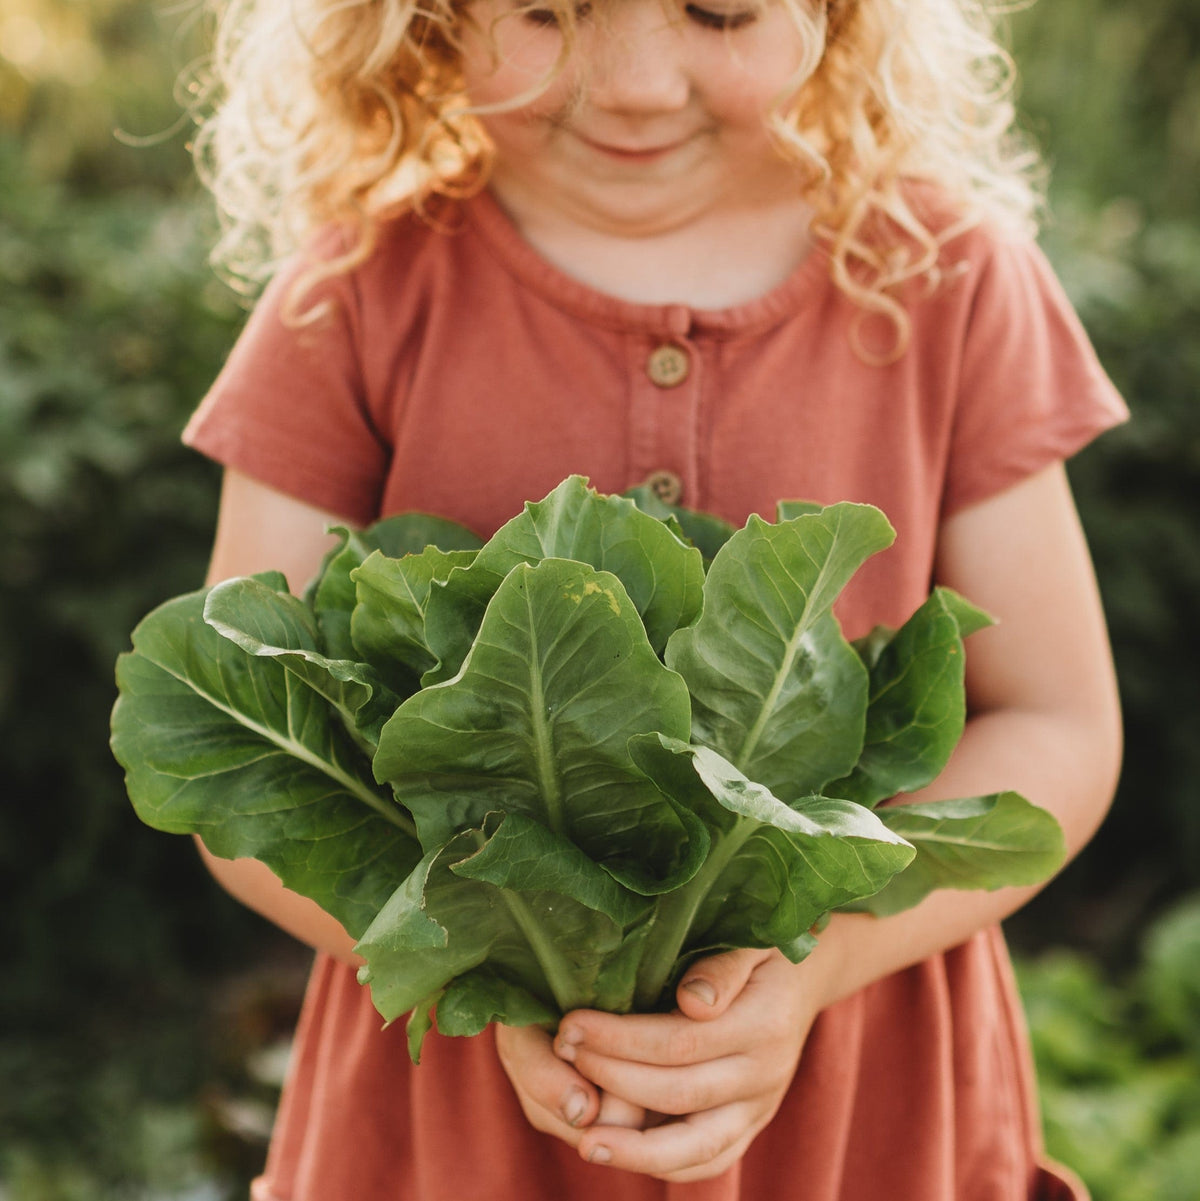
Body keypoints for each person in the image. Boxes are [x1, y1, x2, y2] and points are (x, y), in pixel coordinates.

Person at [180, 0, 1127, 1196]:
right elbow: (234, 747)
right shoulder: (353, 295)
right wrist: (487, 965)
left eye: (719, 11)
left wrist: (819, 960)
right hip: (456, 1115)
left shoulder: (947, 279)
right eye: (547, 12)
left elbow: (1056, 722)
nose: (633, 82)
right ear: (420, 19)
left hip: (858, 1084)